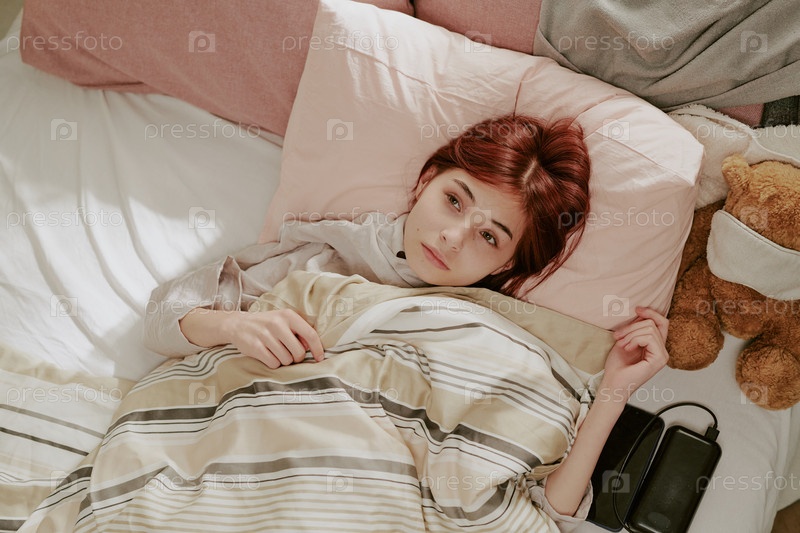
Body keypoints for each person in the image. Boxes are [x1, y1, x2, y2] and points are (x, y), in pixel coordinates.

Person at [143, 112, 670, 529]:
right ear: (427, 181)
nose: (452, 238)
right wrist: (233, 327)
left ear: (507, 264)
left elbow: (550, 514)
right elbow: (165, 318)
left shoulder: (507, 339)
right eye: (453, 201)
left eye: (489, 236)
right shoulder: (331, 255)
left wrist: (614, 391)